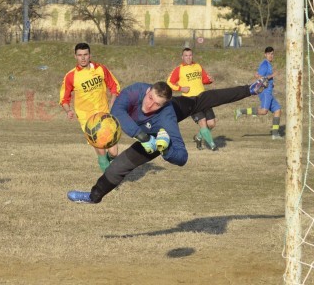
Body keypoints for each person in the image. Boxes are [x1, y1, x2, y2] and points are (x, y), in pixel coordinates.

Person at [68, 79, 268, 204]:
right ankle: (93, 197)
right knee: (117, 166)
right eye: (150, 99)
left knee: (201, 100)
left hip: (160, 133)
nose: (151, 106)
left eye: (157, 104)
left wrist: (165, 148)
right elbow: (117, 110)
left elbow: (183, 157)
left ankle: (249, 89)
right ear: (148, 91)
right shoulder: (137, 90)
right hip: (145, 135)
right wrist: (140, 135)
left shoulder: (166, 116)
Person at [59, 42, 121, 172]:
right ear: (75, 56)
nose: (83, 58)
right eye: (80, 55)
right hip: (87, 119)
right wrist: (68, 110)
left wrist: (113, 101)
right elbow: (64, 98)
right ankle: (108, 181)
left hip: (104, 115)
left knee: (114, 153)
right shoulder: (71, 76)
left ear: (90, 55)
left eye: (85, 54)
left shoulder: (100, 69)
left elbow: (114, 86)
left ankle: (110, 167)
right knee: (101, 152)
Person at [167, 47, 217, 151]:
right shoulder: (179, 69)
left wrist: (209, 80)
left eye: (190, 55)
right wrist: (180, 88)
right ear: (182, 57)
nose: (188, 57)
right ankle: (213, 146)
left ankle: (198, 137)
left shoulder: (198, 66)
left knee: (211, 124)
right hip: (190, 101)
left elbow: (204, 79)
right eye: (186, 55)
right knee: (202, 122)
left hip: (203, 97)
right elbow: (169, 83)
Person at [235, 46, 282, 140]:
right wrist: (272, 75)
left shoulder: (268, 64)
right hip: (264, 92)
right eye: (269, 54)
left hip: (269, 91)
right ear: (265, 55)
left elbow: (260, 75)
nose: (271, 56)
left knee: (277, 110)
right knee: (264, 111)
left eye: (272, 54)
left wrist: (271, 84)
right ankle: (240, 111)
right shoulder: (265, 64)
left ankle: (275, 134)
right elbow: (259, 77)